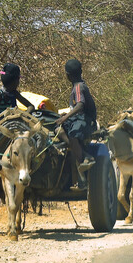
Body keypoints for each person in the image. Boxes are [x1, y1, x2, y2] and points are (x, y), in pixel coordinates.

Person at [55, 59, 97, 191]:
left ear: (67, 75)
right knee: (57, 129)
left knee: (73, 134)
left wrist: (66, 117)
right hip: (79, 118)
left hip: (85, 120)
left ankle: (85, 157)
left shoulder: (78, 87)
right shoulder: (79, 85)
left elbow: (80, 105)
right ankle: (75, 149)